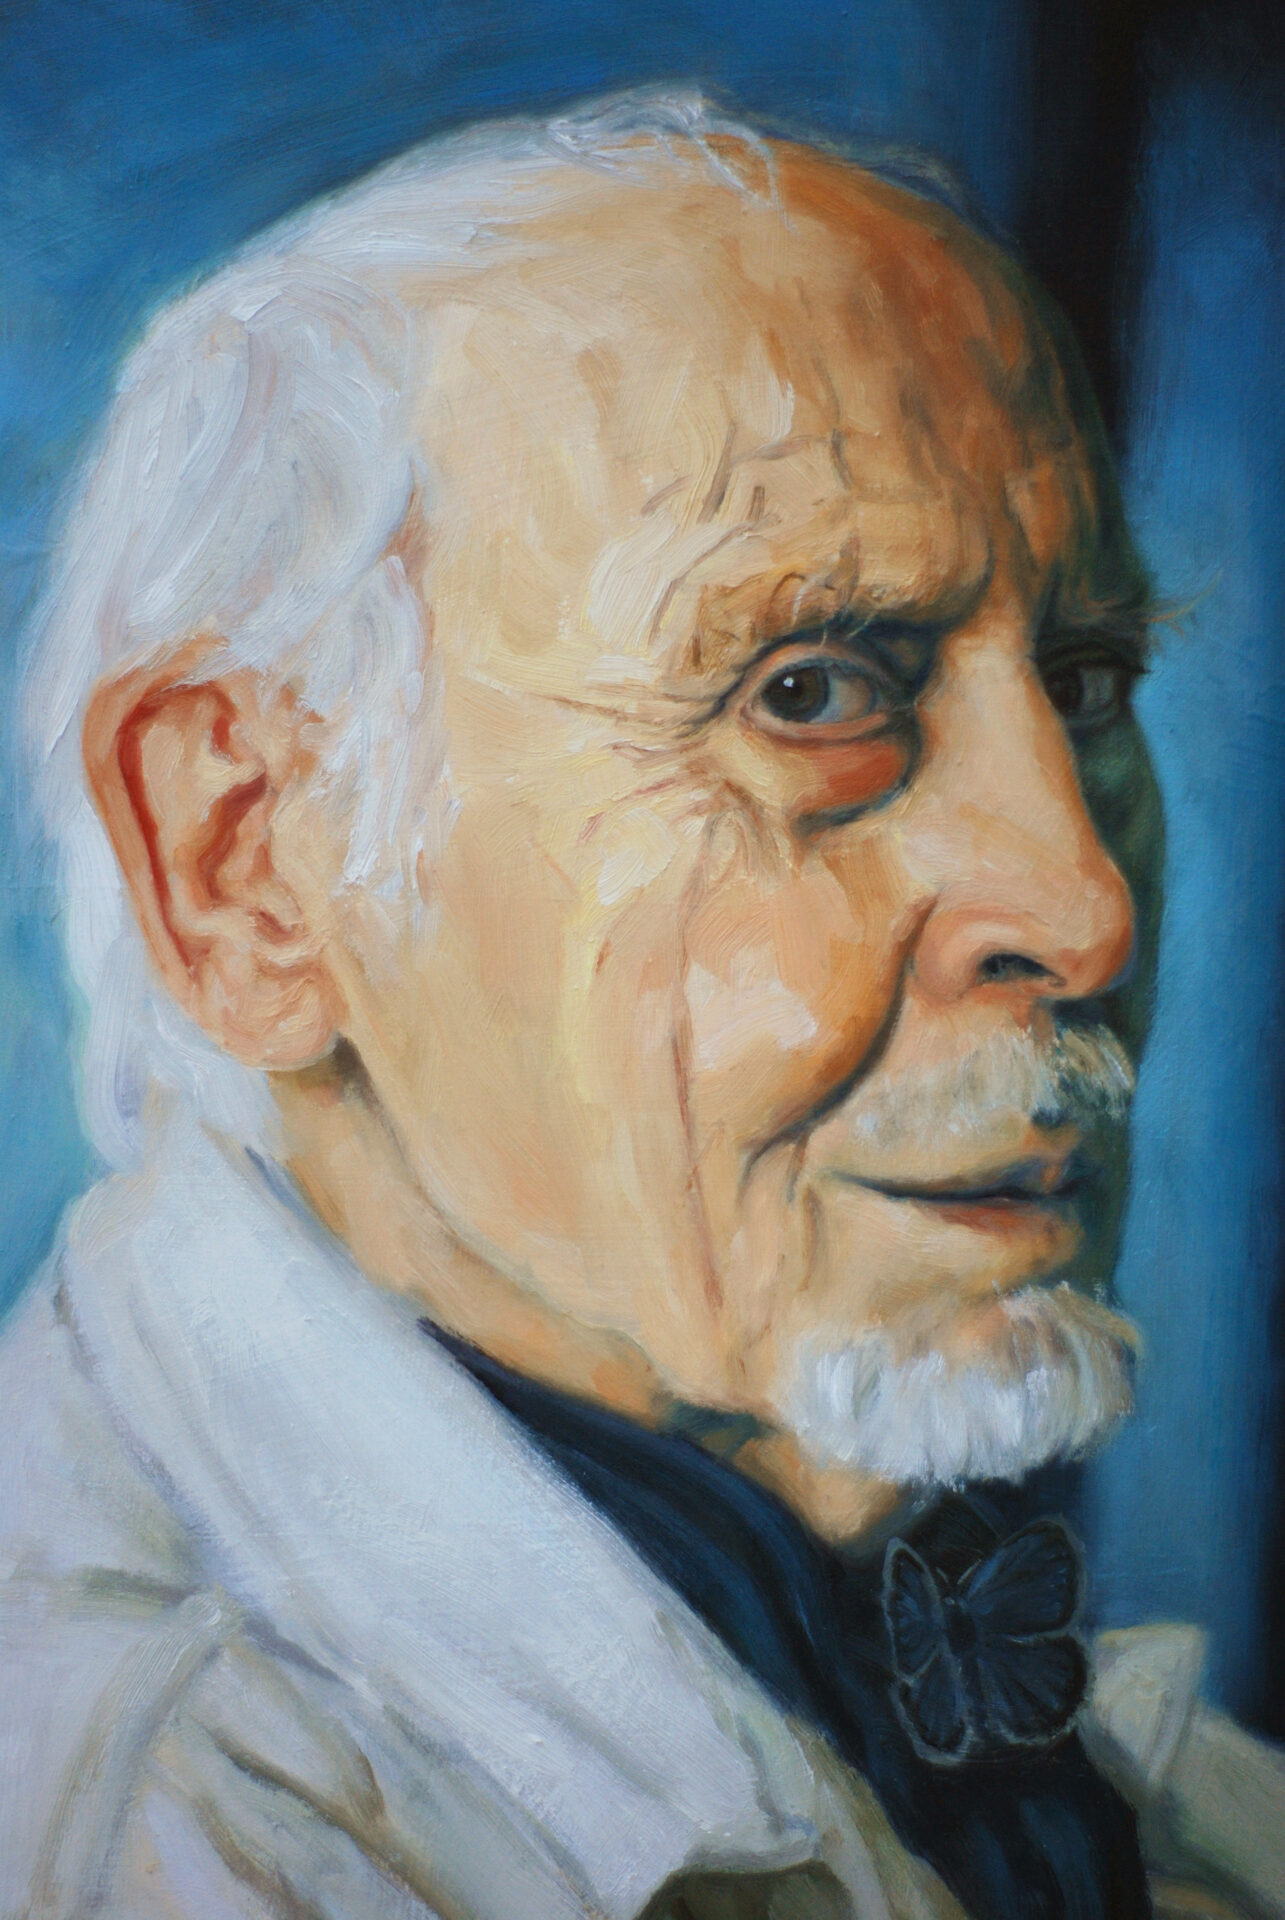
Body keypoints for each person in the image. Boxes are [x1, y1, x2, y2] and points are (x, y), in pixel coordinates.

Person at [2, 90, 1281, 1920]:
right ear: (250, 864)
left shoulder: (1140, 1784)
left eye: (1081, 683)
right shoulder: (139, 1820)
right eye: (813, 691)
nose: (1082, 909)